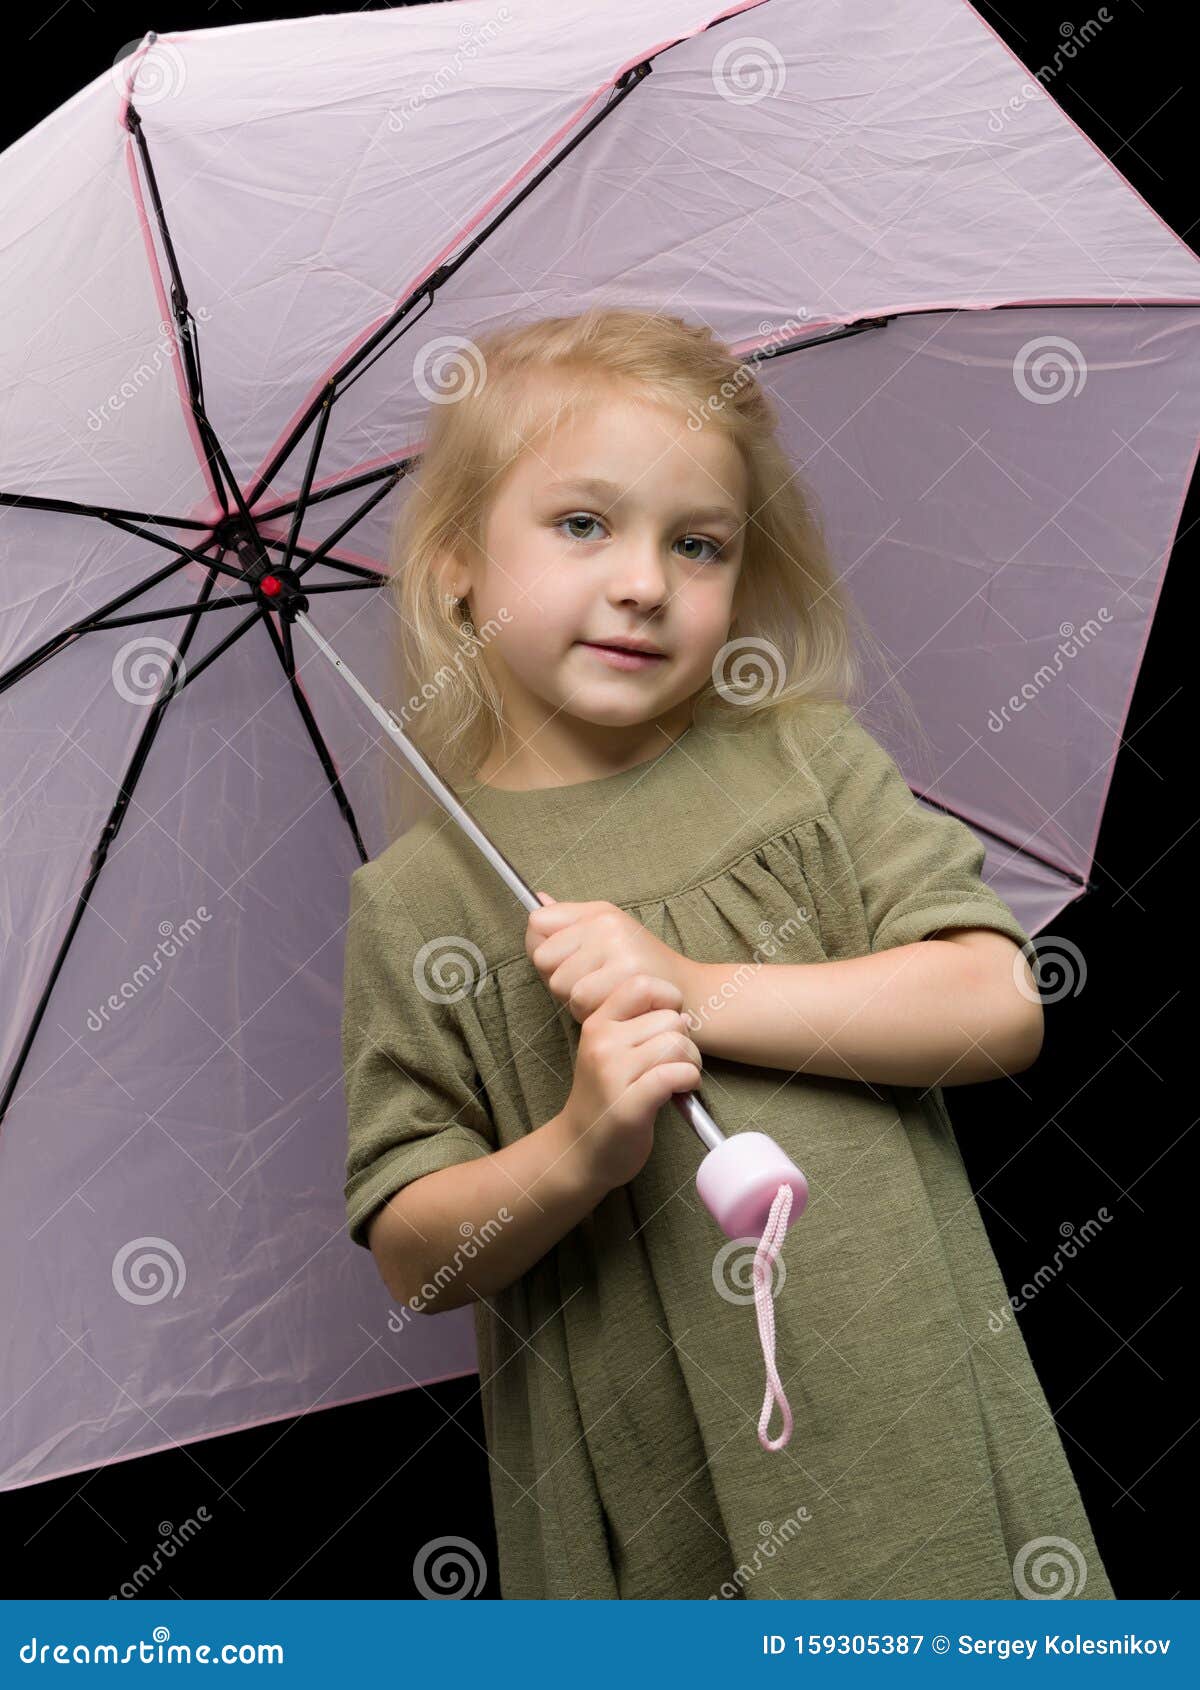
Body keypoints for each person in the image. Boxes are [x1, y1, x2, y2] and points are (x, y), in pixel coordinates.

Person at [340, 306, 1115, 1601]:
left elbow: (995, 1000)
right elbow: (416, 1249)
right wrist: (579, 1143)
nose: (644, 579)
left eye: (697, 543)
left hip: (898, 1404)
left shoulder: (804, 766)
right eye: (583, 524)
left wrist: (698, 989)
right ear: (459, 563)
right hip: (650, 1488)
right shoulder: (422, 900)